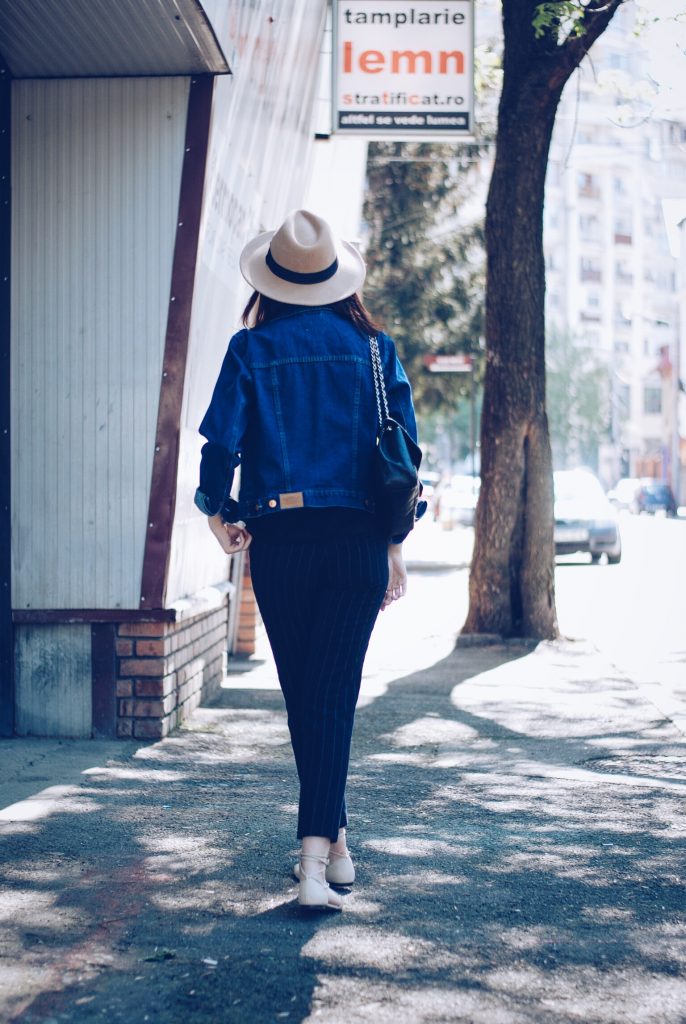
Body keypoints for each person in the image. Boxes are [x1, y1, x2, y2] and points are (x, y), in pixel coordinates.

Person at [194, 210, 421, 911]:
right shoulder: (375, 350)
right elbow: (406, 458)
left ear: (275, 283)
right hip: (357, 544)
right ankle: (339, 846)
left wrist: (216, 513)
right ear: (335, 282)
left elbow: (218, 445)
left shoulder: (250, 349)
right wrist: (393, 549)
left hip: (283, 544)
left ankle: (312, 862)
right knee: (327, 702)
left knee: (309, 701)